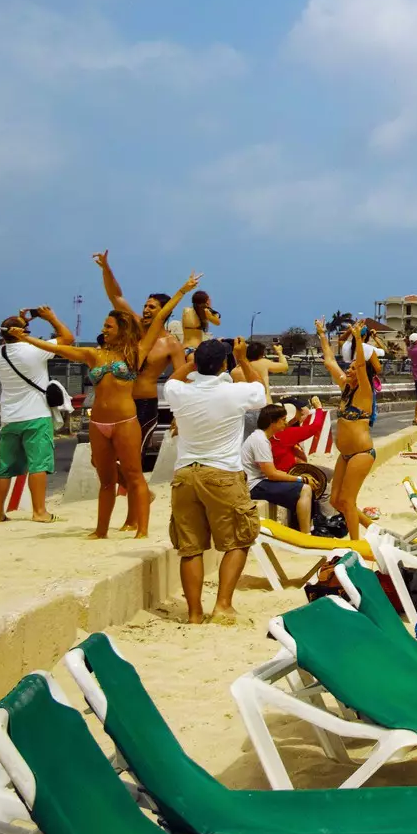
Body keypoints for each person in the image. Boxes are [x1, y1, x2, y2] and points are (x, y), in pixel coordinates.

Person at [9, 294, 180, 539]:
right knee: (106, 479)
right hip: (99, 423)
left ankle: (141, 529)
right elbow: (58, 349)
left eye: (108, 326)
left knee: (134, 475)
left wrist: (183, 291)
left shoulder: (136, 352)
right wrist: (26, 339)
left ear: (121, 329)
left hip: (125, 421)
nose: (103, 329)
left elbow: (160, 317)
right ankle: (101, 531)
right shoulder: (93, 355)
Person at [162, 338, 268, 624]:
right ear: (224, 364)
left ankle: (194, 613)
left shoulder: (179, 392)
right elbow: (260, 390)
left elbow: (171, 380)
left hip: (185, 474)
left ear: (196, 364)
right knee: (238, 539)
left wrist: (191, 362)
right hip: (222, 472)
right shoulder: (234, 393)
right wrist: (243, 358)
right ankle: (222, 604)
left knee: (191, 548)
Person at [93, 252, 191, 505]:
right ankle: (143, 495)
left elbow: (181, 379)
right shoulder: (133, 326)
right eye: (145, 306)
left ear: (162, 313)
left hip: (144, 406)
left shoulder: (171, 345)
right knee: (99, 458)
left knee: (131, 461)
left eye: (152, 307)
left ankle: (134, 511)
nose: (145, 310)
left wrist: (180, 414)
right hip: (118, 402)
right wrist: (106, 268)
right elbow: (116, 296)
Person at [0, 311, 60, 524]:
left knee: (5, 467)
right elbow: (67, 338)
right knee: (39, 464)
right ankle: (39, 511)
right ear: (23, 333)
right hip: (36, 415)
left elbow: (11, 339)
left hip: (10, 417)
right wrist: (51, 318)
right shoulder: (36, 350)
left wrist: (22, 325)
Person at [319, 320, 377, 541]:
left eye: (352, 368)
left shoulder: (364, 392)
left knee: (347, 501)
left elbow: (362, 366)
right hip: (345, 455)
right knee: (335, 501)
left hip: (362, 454)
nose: (349, 370)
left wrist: (359, 339)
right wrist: (323, 335)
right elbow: (329, 362)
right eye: (349, 367)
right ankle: (369, 525)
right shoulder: (346, 389)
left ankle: (356, 544)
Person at [243, 405, 313, 528]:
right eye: (283, 419)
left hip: (260, 481)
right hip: (254, 485)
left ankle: (298, 529)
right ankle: (306, 533)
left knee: (301, 489)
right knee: (305, 488)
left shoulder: (262, 438)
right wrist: (301, 479)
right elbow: (272, 474)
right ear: (272, 421)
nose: (286, 423)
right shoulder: (260, 441)